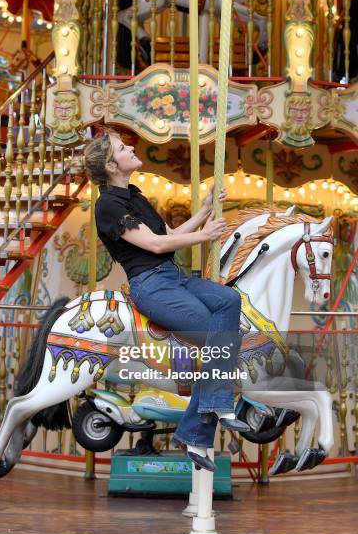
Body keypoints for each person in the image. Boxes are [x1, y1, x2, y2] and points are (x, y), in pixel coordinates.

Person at [78, 128, 249, 471]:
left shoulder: (134, 195)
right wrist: (205, 234)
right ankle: (207, 417)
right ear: (111, 165)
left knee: (229, 301)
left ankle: (200, 421)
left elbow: (168, 235)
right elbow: (154, 246)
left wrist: (204, 210)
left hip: (175, 277)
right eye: (123, 148)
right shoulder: (108, 205)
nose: (131, 149)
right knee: (211, 331)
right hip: (150, 285)